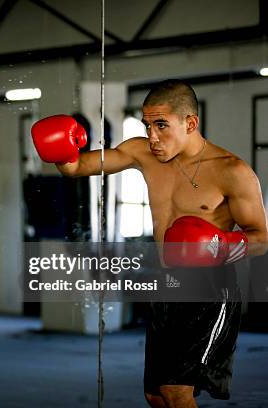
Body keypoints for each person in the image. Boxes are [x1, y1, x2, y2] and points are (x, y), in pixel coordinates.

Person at [31, 79, 268, 408]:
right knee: (156, 396)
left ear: (190, 123)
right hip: (167, 282)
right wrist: (62, 150)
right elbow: (75, 168)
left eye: (161, 125)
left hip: (209, 289)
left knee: (176, 391)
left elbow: (261, 238)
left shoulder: (232, 171)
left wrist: (219, 246)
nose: (152, 136)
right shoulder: (142, 152)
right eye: (147, 125)